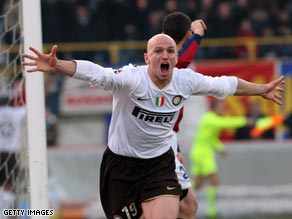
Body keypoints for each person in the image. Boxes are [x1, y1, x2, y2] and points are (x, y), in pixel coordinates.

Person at [22, 33, 284, 219]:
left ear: (176, 56)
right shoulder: (131, 79)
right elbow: (97, 72)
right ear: (147, 58)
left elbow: (227, 84)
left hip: (159, 165)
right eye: (158, 51)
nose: (165, 55)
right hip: (121, 167)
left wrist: (261, 89)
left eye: (170, 50)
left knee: (184, 207)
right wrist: (58, 65)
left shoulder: (186, 81)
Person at [162, 12, 207, 219]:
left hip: (166, 139)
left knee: (186, 207)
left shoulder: (165, 63)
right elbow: (182, 61)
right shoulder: (169, 66)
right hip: (155, 144)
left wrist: (176, 146)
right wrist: (197, 35)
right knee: (183, 207)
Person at [189, 99, 256, 219]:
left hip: (200, 152)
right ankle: (211, 212)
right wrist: (244, 121)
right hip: (202, 154)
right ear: (214, 108)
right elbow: (225, 123)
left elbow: (210, 138)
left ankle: (177, 195)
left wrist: (220, 149)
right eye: (222, 107)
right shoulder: (209, 118)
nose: (224, 109)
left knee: (198, 184)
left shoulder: (211, 119)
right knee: (214, 180)